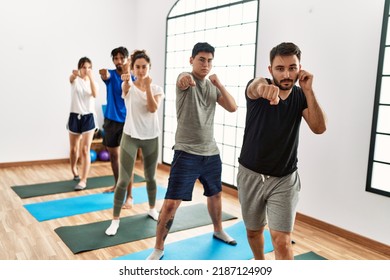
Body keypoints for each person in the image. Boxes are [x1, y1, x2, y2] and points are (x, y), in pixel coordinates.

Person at [147, 42, 238, 260]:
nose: (205, 65)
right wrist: (185, 79)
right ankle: (158, 248)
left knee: (215, 194)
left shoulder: (212, 87)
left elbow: (233, 107)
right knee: (171, 203)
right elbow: (181, 80)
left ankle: (218, 230)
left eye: (209, 61)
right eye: (201, 60)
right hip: (186, 152)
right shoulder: (185, 78)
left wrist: (219, 84)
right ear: (191, 60)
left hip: (211, 151)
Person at [237, 42, 327, 260]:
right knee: (254, 231)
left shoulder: (300, 96)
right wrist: (262, 89)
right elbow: (254, 87)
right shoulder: (258, 87)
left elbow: (319, 128)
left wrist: (308, 90)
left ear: (299, 68)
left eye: (292, 68)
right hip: (251, 174)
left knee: (282, 241)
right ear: (270, 70)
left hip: (284, 179)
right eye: (280, 68)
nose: (287, 74)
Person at [105, 49, 164, 235]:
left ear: (149, 67)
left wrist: (147, 88)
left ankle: (152, 209)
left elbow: (152, 109)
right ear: (133, 68)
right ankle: (115, 220)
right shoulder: (127, 85)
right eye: (137, 67)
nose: (140, 70)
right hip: (130, 135)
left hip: (151, 137)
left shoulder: (157, 89)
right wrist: (127, 73)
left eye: (144, 67)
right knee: (123, 180)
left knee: (151, 177)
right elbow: (125, 87)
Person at [99, 47, 134, 208]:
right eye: (115, 58)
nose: (118, 61)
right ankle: (116, 186)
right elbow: (105, 75)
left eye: (121, 58)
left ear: (127, 59)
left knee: (126, 160)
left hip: (127, 121)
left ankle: (130, 196)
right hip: (111, 120)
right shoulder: (111, 75)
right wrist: (103, 73)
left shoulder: (133, 76)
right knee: (113, 156)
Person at [67, 57, 99, 190]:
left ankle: (83, 180)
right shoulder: (75, 81)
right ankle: (74, 169)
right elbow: (71, 78)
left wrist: (90, 77)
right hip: (75, 116)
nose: (86, 70)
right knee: (74, 149)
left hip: (89, 118)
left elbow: (95, 94)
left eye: (89, 67)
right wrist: (75, 75)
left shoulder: (93, 83)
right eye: (84, 67)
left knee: (85, 150)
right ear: (80, 68)